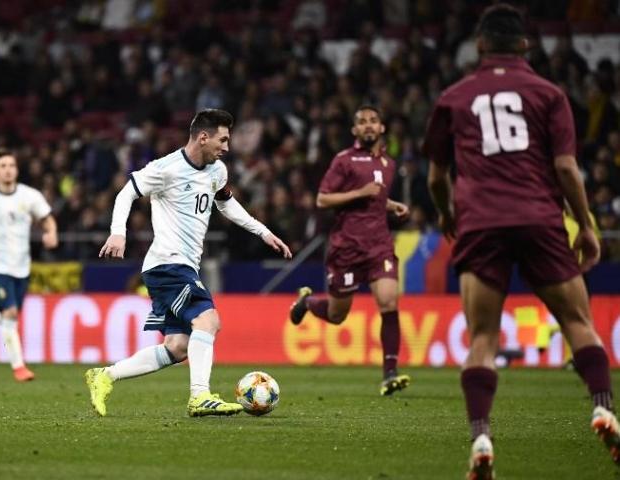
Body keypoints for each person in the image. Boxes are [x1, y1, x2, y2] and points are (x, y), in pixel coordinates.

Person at [422, 4, 619, 478]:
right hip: (539, 218)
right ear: (526, 45)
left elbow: (435, 177)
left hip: (482, 223)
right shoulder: (550, 94)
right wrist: (586, 225)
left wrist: (449, 214)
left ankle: (482, 439)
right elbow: (567, 169)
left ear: (481, 45)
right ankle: (602, 408)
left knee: (483, 339)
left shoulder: (455, 96)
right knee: (578, 322)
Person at [85, 109, 292, 417]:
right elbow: (126, 193)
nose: (227, 147)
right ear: (203, 137)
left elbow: (226, 204)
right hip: (168, 264)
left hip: (181, 266)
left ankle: (104, 376)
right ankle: (199, 396)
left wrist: (262, 231)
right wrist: (118, 233)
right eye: (222, 140)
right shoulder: (165, 168)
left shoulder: (217, 171)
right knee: (209, 321)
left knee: (178, 346)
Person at [289, 105, 411, 396]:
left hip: (379, 247)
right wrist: (360, 193)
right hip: (346, 248)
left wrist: (391, 205)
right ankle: (307, 303)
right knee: (337, 314)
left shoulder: (389, 164)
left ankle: (389, 373)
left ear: (381, 128)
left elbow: (376, 197)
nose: (368, 126)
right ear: (355, 131)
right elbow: (322, 199)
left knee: (389, 302)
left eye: (373, 121)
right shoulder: (344, 160)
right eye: (362, 122)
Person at [0, 148, 58, 382]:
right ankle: (19, 367)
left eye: (11, 166)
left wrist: (51, 233)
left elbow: (47, 219)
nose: (7, 170)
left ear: (16, 170)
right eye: (2, 166)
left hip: (22, 266)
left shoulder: (30, 196)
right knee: (10, 312)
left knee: (10, 318)